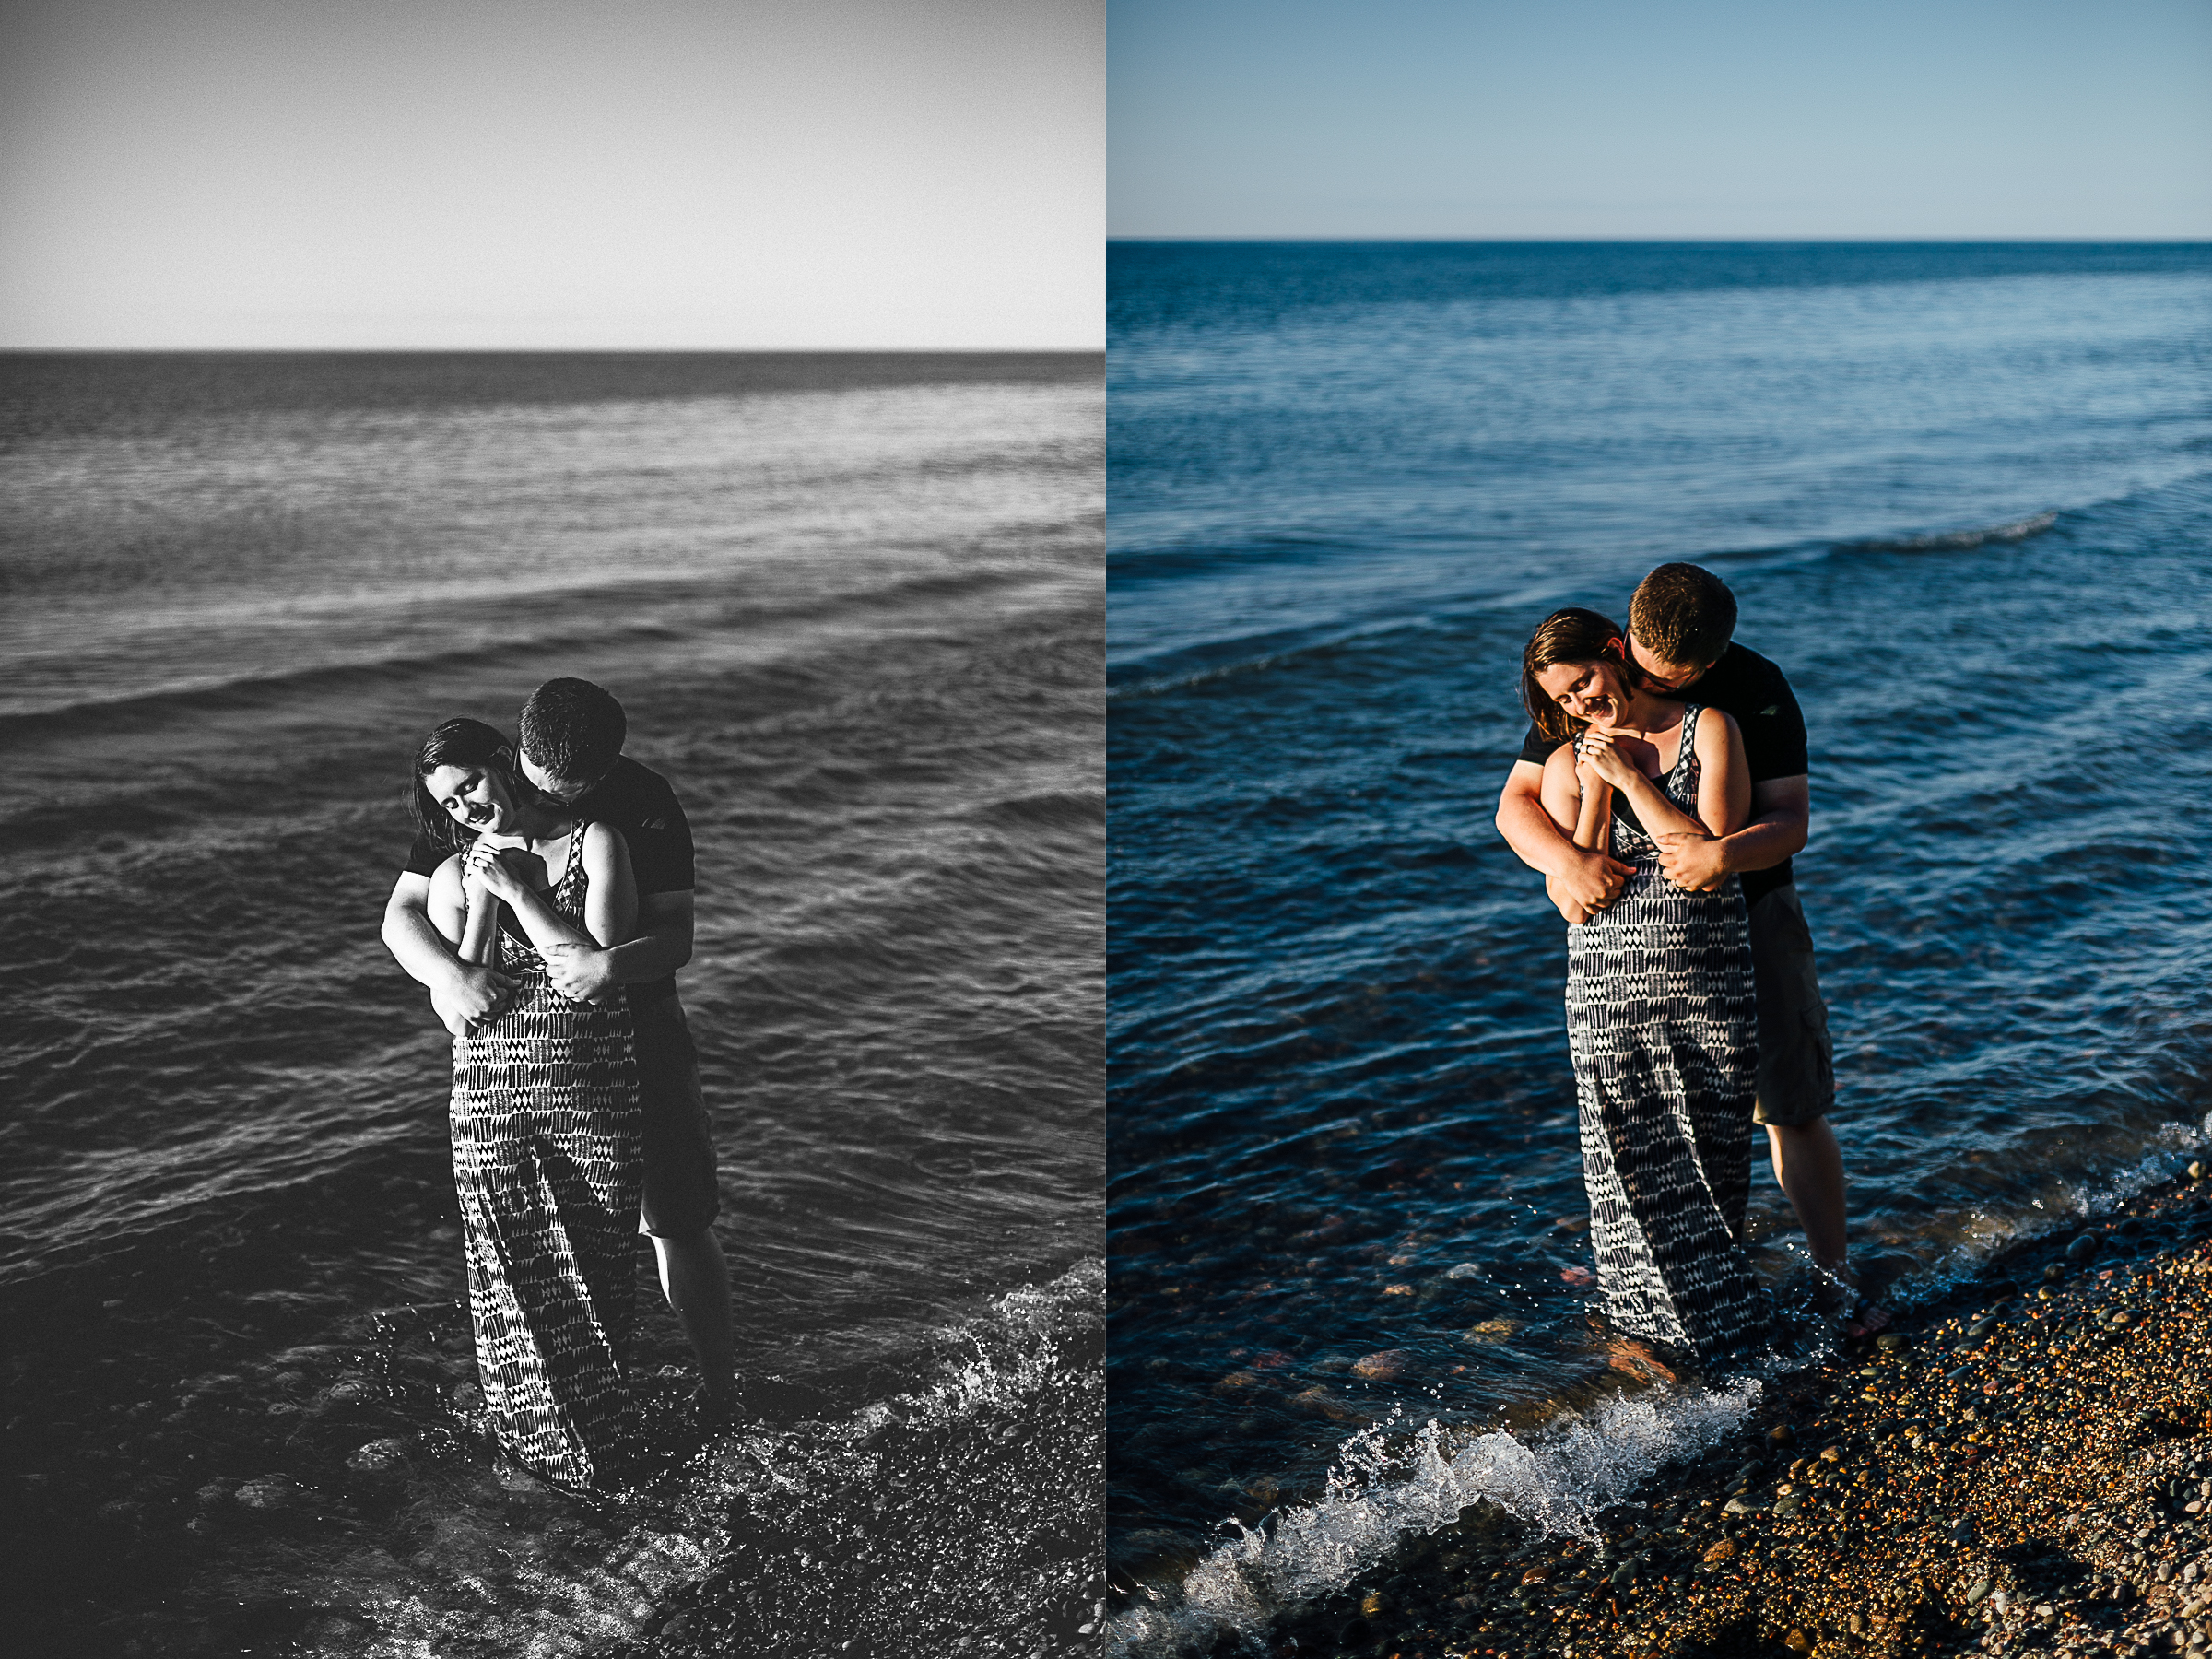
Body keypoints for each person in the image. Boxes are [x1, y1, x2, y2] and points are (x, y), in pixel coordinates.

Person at [1494, 563, 1887, 1336]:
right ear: (1625, 633)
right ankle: (1681, 1300)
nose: (1632, 685)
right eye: (1633, 661)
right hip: (1621, 948)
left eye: (1663, 677)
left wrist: (1723, 856)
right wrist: (1566, 863)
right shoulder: (1589, 676)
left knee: (1787, 1106)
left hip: (1751, 915)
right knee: (1638, 1126)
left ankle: (1834, 1280)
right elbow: (1517, 802)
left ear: (1709, 666)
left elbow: (1790, 818)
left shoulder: (1749, 692)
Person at [382, 679, 741, 1417]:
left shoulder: (639, 803)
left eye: (566, 787)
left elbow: (675, 936)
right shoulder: (474, 796)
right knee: (536, 1235)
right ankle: (573, 1403)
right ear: (515, 749)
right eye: (531, 776)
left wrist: (610, 965)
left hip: (637, 1033)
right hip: (516, 1063)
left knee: (673, 1219)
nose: (542, 793)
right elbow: (403, 913)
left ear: (603, 772)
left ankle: (721, 1391)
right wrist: (448, 978)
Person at [1521, 607, 1771, 1364]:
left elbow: (1706, 848)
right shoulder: (1565, 763)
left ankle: (1726, 1331)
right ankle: (1648, 1337)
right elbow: (1575, 889)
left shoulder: (1710, 729)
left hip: (1708, 976)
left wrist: (1631, 776)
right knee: (1624, 1160)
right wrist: (1596, 784)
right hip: (1604, 992)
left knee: (1713, 1148)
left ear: (1614, 651)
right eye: (1564, 699)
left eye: (1584, 681)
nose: (1581, 703)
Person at [412, 717, 642, 1486]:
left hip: (593, 1087)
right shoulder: (450, 875)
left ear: (504, 763)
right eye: (449, 803)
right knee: (510, 1271)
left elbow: (599, 962)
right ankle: (539, 1454)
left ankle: (609, 1442)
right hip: (489, 1097)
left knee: (602, 1259)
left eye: (470, 784)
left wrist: (521, 891)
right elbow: (466, 998)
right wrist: (483, 896)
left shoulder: (595, 842)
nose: (466, 808)